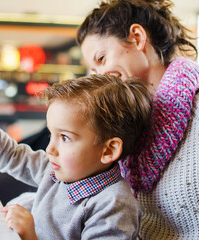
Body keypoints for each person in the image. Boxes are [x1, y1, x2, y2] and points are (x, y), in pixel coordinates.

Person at [0, 74, 153, 239]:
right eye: (52, 134)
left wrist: (31, 237)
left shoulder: (114, 206)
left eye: (65, 138)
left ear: (108, 150)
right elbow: (13, 156)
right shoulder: (56, 171)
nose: (50, 148)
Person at [76, 0, 199, 239]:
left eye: (101, 59)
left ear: (136, 38)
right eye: (93, 70)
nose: (100, 76)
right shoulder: (126, 121)